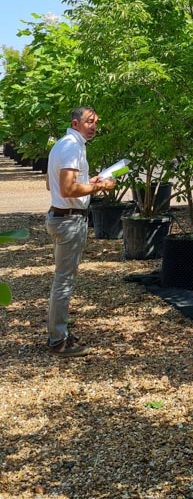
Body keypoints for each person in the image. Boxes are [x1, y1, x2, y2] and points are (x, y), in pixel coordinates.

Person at [45, 105, 117, 356]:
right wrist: (101, 187)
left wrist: (89, 181)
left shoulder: (61, 144)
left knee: (62, 279)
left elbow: (51, 184)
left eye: (96, 122)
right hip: (69, 220)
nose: (94, 126)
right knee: (63, 282)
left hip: (60, 216)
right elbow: (67, 189)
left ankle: (59, 333)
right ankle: (57, 341)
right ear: (75, 123)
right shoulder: (72, 147)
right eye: (89, 121)